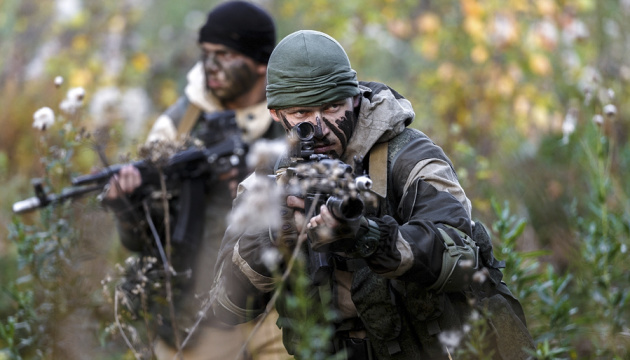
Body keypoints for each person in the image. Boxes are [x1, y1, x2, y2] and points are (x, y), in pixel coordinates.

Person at [212, 30, 535, 359]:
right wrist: (273, 236)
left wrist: (369, 237)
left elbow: (464, 256)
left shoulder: (408, 157)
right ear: (275, 114)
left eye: (332, 106)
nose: (319, 128)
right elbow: (226, 307)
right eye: (301, 114)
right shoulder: (267, 182)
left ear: (354, 98)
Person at [102, 2, 289, 359]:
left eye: (224, 54)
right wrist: (127, 210)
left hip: (280, 306)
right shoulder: (179, 126)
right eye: (205, 53)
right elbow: (149, 241)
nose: (210, 65)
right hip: (203, 312)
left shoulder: (294, 114)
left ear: (261, 63)